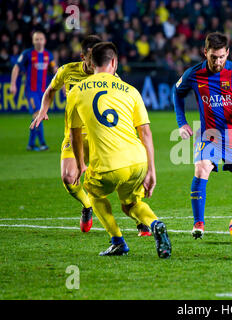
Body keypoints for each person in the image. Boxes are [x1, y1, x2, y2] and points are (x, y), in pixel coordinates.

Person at [30, 35, 151, 237]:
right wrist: (43, 109)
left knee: (121, 177)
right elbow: (51, 90)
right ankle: (87, 207)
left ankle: (141, 221)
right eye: (90, 57)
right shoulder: (67, 71)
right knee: (69, 177)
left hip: (102, 137)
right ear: (83, 56)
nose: (94, 61)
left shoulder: (112, 77)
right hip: (74, 134)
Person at [66, 42, 171, 258]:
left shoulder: (76, 92)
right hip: (137, 161)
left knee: (94, 194)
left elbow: (74, 134)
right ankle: (155, 223)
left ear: (91, 62)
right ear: (114, 62)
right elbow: (146, 133)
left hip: (108, 165)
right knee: (132, 204)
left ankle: (117, 241)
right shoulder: (131, 90)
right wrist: (152, 170)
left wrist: (79, 164)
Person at [173, 32, 232, 239]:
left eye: (222, 57)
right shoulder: (193, 74)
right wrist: (182, 123)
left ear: (228, 53)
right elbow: (176, 93)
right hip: (209, 134)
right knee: (201, 167)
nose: (218, 61)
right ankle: (199, 223)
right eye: (214, 57)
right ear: (205, 53)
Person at [10, 31, 57, 151]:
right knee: (38, 114)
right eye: (36, 39)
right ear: (33, 41)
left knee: (37, 117)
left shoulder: (48, 55)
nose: (39, 41)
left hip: (43, 92)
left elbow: (54, 69)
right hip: (31, 91)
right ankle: (42, 143)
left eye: (41, 39)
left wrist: (62, 84)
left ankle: (31, 144)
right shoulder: (27, 54)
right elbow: (16, 67)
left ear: (45, 41)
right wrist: (13, 84)